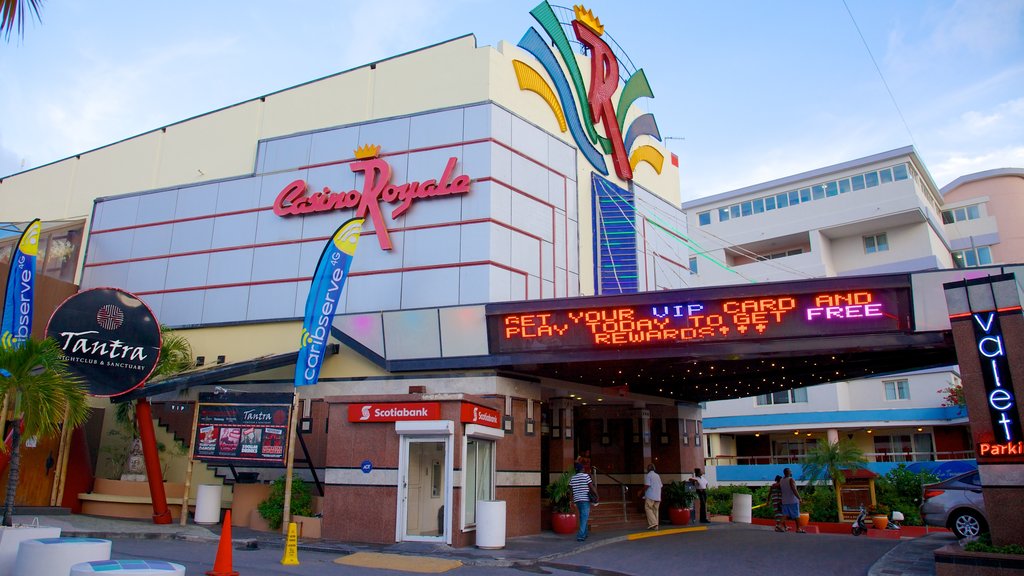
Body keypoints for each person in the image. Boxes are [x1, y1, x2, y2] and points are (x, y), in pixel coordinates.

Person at [569, 462, 595, 542]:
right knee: (584, 517)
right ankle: (580, 536)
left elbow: (570, 490)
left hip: (577, 500)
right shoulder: (586, 476)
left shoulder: (572, 478)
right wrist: (597, 495)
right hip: (585, 499)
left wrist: (571, 500)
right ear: (582, 469)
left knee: (582, 517)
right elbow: (591, 487)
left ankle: (585, 534)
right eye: (583, 468)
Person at [780, 467, 805, 533]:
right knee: (796, 515)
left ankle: (779, 525)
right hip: (792, 500)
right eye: (791, 471)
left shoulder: (781, 480)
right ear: (788, 472)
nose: (791, 472)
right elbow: (794, 489)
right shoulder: (791, 479)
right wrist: (799, 498)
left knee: (785, 514)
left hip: (785, 500)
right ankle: (798, 528)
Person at [640, 463, 663, 530]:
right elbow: (661, 485)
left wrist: (641, 491)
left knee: (648, 508)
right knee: (655, 510)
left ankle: (653, 523)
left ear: (648, 469)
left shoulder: (649, 475)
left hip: (650, 496)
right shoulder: (657, 476)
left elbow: (647, 485)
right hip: (658, 496)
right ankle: (655, 527)